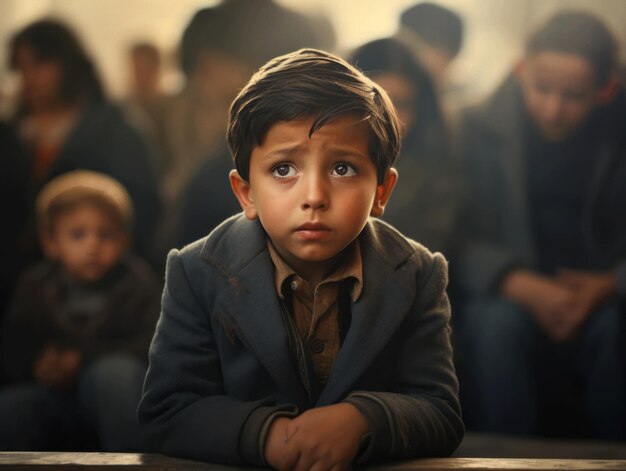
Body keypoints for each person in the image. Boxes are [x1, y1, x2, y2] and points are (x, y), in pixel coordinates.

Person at [138, 49, 463, 467]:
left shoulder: (417, 273)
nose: (313, 197)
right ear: (246, 192)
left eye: (342, 169)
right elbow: (167, 412)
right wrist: (269, 434)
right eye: (283, 170)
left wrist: (363, 419)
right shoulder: (197, 271)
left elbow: (440, 412)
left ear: (382, 192)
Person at [457, 11, 626, 439]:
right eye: (542, 88)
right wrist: (514, 280)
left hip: (604, 293)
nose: (553, 109)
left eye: (574, 95)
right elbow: (450, 234)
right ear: (521, 72)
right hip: (509, 287)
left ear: (606, 90)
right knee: (494, 326)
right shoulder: (475, 129)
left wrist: (610, 284)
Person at [0, 171, 161, 451]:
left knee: (115, 374)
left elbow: (154, 344)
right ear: (51, 243)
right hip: (53, 399)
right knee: (12, 407)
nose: (93, 246)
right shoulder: (35, 285)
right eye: (77, 235)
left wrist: (82, 359)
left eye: (105, 235)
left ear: (124, 241)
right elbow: (14, 343)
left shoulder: (136, 284)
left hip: (118, 403)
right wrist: (37, 364)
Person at [8, 18, 161, 266]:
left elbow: (140, 211)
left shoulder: (115, 130)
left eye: (40, 63)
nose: (30, 77)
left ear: (67, 65)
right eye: (21, 67)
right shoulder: (13, 133)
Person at [350, 37, 464, 256]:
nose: (386, 119)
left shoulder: (440, 178)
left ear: (421, 111)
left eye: (401, 105)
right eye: (373, 103)